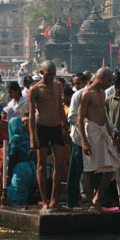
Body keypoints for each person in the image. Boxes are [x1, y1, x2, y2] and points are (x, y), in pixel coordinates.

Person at [78, 67, 120, 211]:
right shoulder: (87, 93)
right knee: (89, 168)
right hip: (91, 130)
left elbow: (104, 115)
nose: (110, 84)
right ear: (101, 78)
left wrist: (110, 135)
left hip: (102, 130)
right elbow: (79, 118)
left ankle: (97, 197)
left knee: (113, 166)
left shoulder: (102, 93)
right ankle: (91, 203)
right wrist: (84, 141)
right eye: (109, 81)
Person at [29, 61, 70, 211]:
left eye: (53, 74)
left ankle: (54, 200)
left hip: (56, 128)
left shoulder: (58, 86)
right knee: (42, 166)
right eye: (48, 74)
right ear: (41, 72)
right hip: (42, 128)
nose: (51, 77)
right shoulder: (35, 89)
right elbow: (32, 115)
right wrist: (32, 138)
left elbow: (60, 107)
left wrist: (66, 128)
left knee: (59, 165)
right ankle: (44, 201)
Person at [66, 74, 88, 209]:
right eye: (74, 84)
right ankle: (72, 200)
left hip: (93, 137)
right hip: (78, 138)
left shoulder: (96, 93)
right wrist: (86, 123)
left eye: (78, 83)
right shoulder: (77, 95)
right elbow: (71, 117)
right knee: (75, 170)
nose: (76, 86)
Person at [6, 117, 36, 206]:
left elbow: (11, 157)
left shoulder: (14, 139)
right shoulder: (28, 137)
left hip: (21, 169)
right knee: (26, 193)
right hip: (32, 166)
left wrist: (9, 172)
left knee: (17, 195)